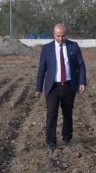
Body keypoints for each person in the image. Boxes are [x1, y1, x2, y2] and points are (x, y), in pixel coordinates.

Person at [36, 23, 86, 152]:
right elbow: (42, 69)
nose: (60, 38)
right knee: (52, 114)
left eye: (63, 36)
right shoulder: (47, 49)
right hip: (52, 87)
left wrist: (82, 82)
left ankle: (67, 138)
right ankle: (51, 141)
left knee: (67, 114)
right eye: (58, 36)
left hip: (68, 86)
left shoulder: (73, 46)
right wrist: (39, 88)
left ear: (66, 34)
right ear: (54, 34)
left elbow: (81, 66)